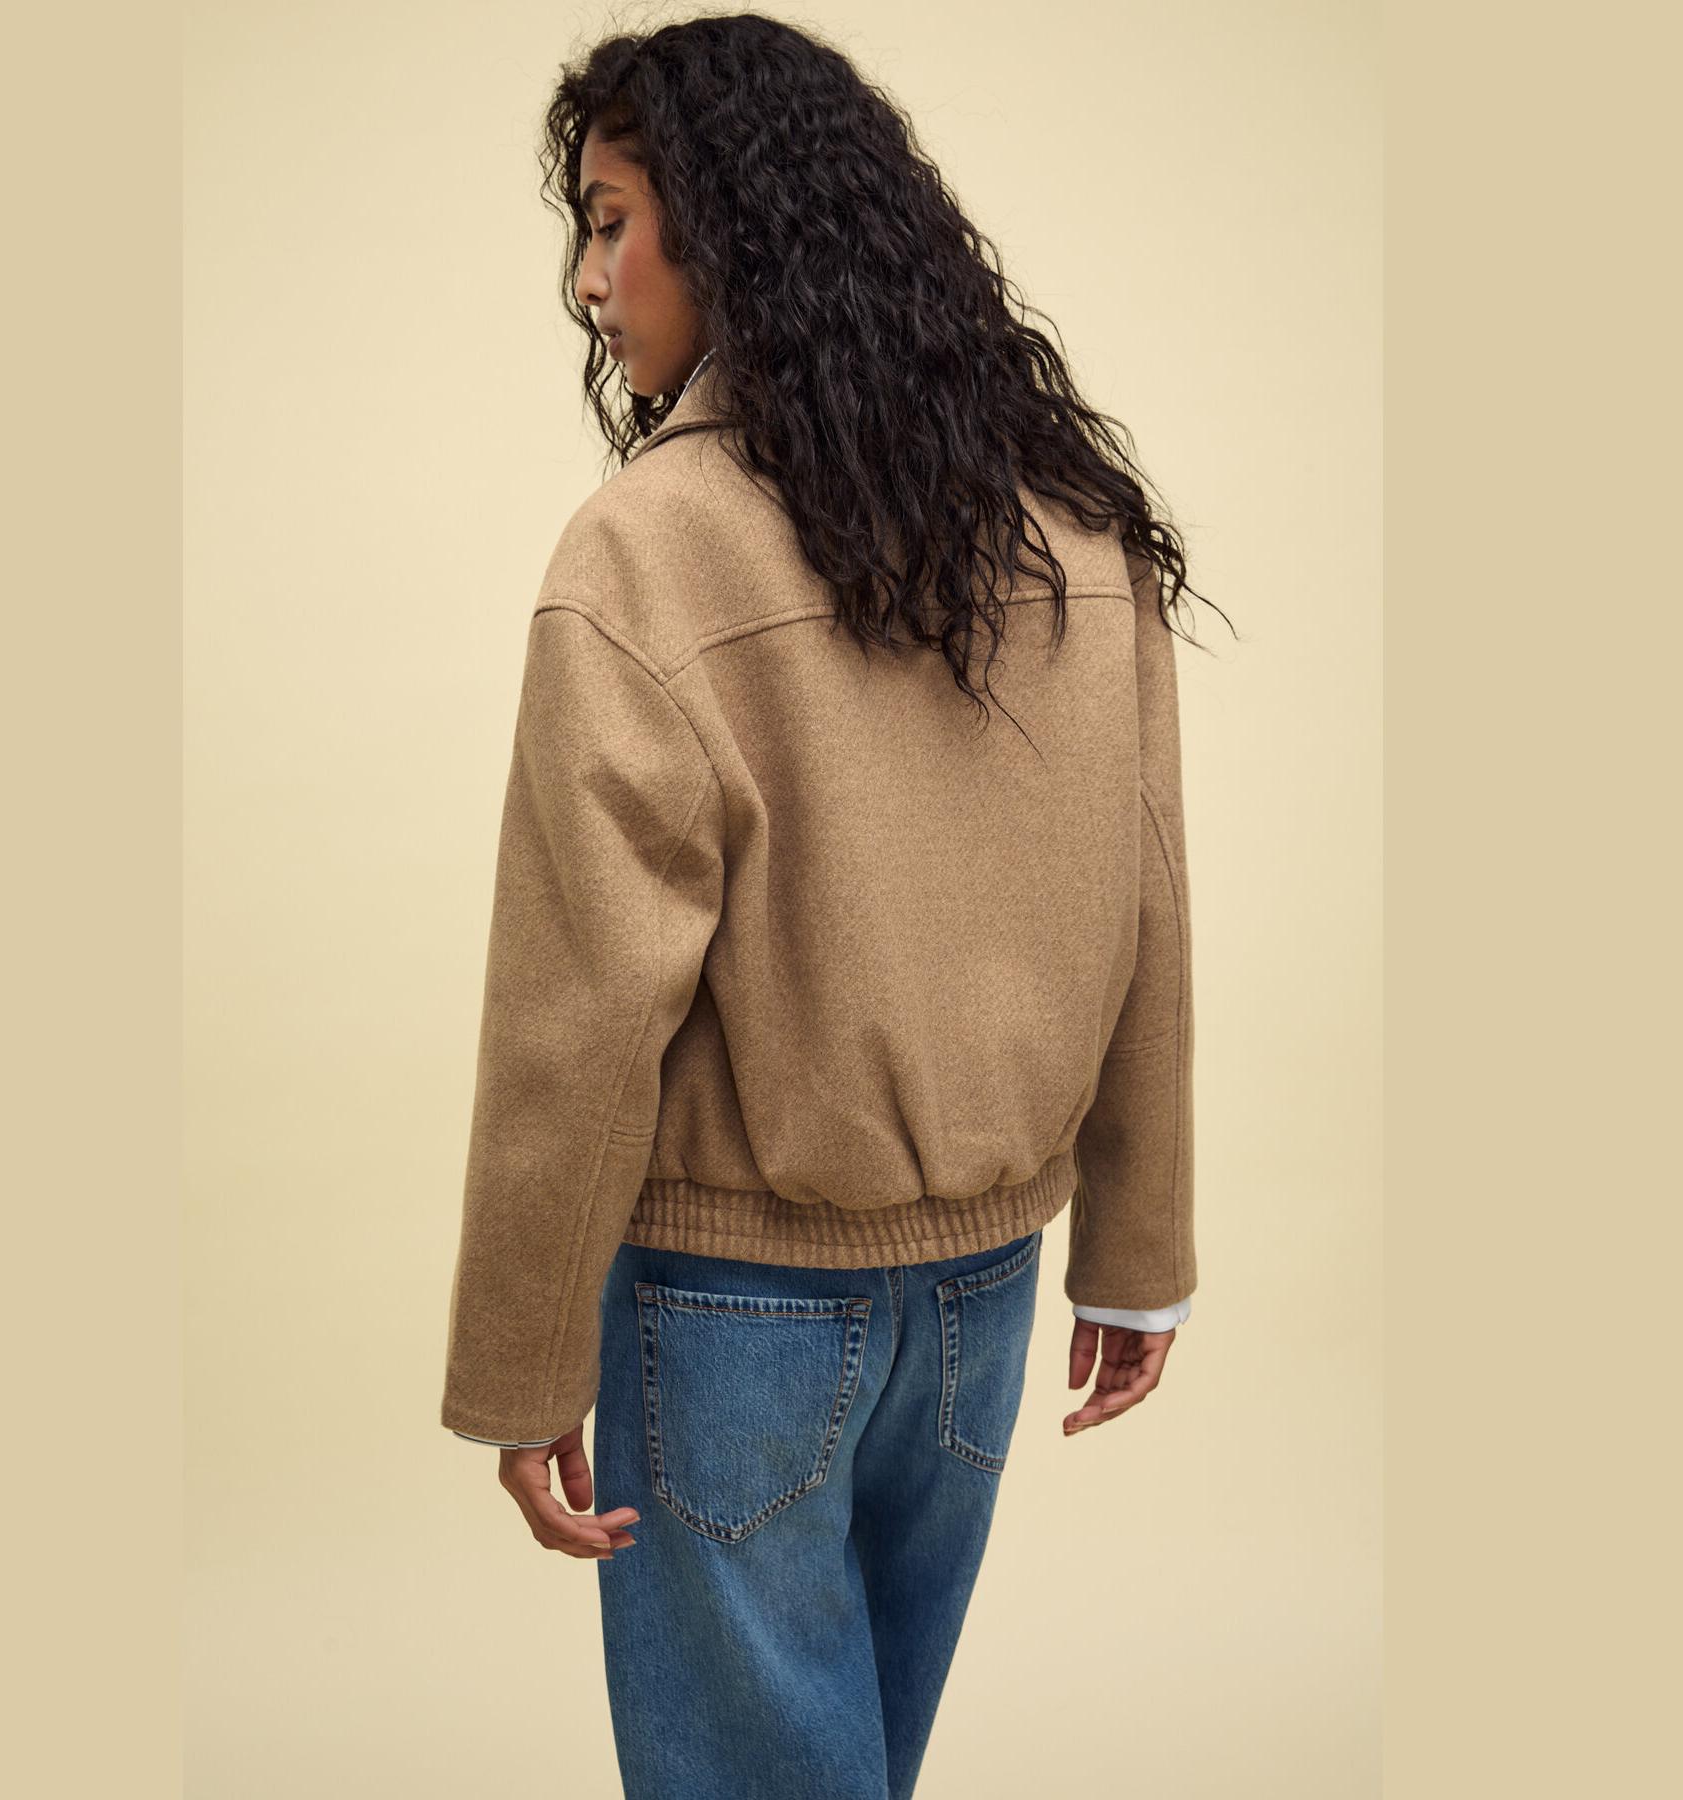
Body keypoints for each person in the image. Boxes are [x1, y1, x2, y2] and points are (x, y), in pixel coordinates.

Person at [440, 14, 1233, 1797]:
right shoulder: (1071, 528)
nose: (588, 280)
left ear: (724, 225)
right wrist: (1140, 1251)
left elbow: (582, 1006)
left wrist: (521, 1361)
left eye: (612, 222)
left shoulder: (649, 548)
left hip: (730, 1310)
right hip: (984, 1304)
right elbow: (1149, 899)